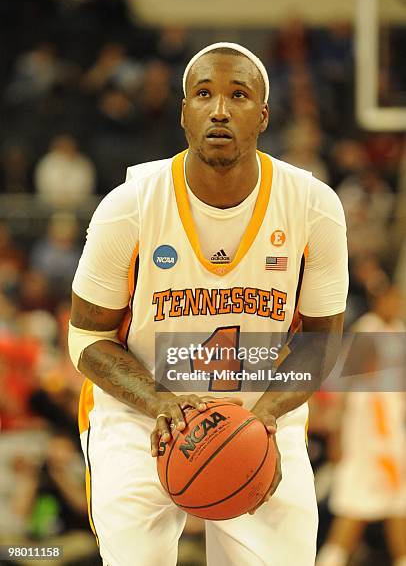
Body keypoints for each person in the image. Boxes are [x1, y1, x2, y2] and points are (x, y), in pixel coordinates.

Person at [69, 42, 348, 566]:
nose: (219, 109)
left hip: (258, 413)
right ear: (184, 113)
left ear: (263, 115)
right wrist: (158, 403)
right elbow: (85, 339)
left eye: (238, 95)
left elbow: (322, 340)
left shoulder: (314, 206)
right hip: (141, 416)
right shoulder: (128, 206)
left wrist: (266, 417)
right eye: (203, 94)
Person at [316, 285, 406, 566]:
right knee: (352, 504)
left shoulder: (398, 331)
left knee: (397, 503)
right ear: (378, 301)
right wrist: (337, 436)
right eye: (389, 299)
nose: (394, 305)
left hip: (391, 430)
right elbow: (344, 388)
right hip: (363, 429)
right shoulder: (366, 330)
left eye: (398, 300)